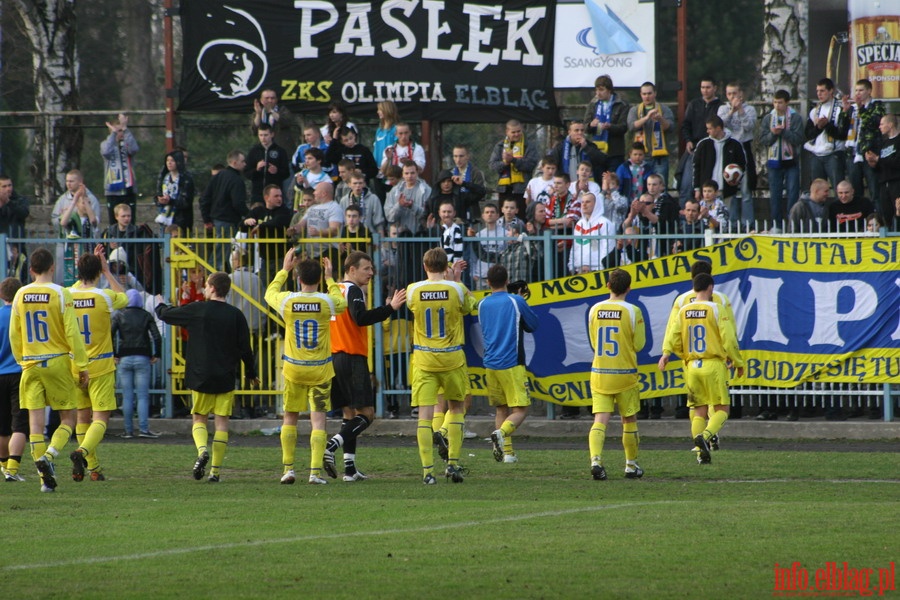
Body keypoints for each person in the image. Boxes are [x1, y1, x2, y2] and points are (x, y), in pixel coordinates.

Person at [155, 272, 258, 482]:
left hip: (200, 375)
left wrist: (159, 304)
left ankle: (202, 451)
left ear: (211, 288)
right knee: (222, 423)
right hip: (226, 376)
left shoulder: (198, 310)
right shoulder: (236, 315)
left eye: (206, 285)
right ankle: (215, 472)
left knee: (199, 418)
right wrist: (251, 372)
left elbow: (168, 315)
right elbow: (245, 348)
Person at [10, 248, 89, 492]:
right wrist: (82, 364)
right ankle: (51, 456)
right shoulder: (60, 293)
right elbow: (72, 331)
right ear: (53, 267)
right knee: (68, 418)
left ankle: (44, 482)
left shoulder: (20, 294)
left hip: (31, 363)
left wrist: (21, 360)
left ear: (31, 269)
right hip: (56, 361)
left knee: (35, 424)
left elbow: (15, 332)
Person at [322, 251, 406, 481]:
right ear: (352, 270)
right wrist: (391, 308)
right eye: (366, 268)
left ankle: (349, 469)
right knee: (368, 414)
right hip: (352, 357)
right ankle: (331, 446)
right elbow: (360, 318)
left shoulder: (333, 290)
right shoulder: (353, 290)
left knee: (349, 414)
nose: (371, 273)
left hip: (335, 358)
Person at [265, 253, 346, 485]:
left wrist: (283, 270)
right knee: (318, 420)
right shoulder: (326, 301)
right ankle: (314, 473)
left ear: (298, 278)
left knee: (290, 417)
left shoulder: (287, 300)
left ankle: (288, 469)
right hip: (320, 370)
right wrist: (331, 279)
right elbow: (341, 302)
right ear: (319, 279)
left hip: (294, 368)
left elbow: (269, 293)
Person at [407, 248, 477, 484]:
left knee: (425, 416)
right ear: (445, 266)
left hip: (425, 359)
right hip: (451, 357)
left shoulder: (413, 289)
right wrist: (456, 279)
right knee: (456, 408)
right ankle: (453, 465)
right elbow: (470, 306)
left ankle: (428, 472)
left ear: (425, 266)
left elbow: (410, 307)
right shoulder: (455, 289)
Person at [659, 273, 744, 465]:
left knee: (698, 411)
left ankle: (700, 453)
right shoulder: (717, 308)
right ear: (710, 288)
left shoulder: (684, 309)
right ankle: (705, 437)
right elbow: (729, 339)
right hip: (713, 364)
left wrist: (667, 353)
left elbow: (673, 335)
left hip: (692, 366)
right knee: (722, 409)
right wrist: (738, 362)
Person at [67, 246, 129, 483]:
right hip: (100, 365)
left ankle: (93, 468)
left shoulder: (67, 295)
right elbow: (123, 296)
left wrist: (87, 268)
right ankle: (82, 453)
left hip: (75, 365)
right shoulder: (103, 296)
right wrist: (107, 271)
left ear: (78, 272)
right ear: (98, 272)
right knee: (101, 418)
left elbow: (73, 287)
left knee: (82, 417)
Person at [586, 268, 646, 480]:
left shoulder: (594, 309)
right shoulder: (633, 311)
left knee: (600, 419)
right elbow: (639, 344)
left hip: (600, 372)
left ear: (608, 286)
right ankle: (630, 465)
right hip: (625, 373)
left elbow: (594, 343)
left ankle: (596, 460)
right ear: (629, 288)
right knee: (628, 419)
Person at [479, 264, 538, 464]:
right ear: (507, 280)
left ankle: (507, 454)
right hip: (512, 363)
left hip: (491, 364)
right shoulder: (516, 301)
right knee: (520, 410)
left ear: (488, 282)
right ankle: (501, 434)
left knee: (501, 409)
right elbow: (533, 325)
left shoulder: (482, 303)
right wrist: (521, 298)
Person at [112, 288, 162, 439]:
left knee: (127, 396)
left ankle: (128, 431)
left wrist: (114, 354)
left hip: (124, 358)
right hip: (142, 357)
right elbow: (156, 337)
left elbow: (109, 335)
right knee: (142, 396)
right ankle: (144, 430)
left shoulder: (119, 315)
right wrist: (156, 354)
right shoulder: (146, 315)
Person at [692, 115, 747, 228]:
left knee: (729, 222)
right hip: (708, 192)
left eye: (710, 128)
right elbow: (696, 167)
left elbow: (742, 165)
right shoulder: (703, 144)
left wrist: (736, 181)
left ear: (718, 128)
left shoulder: (735, 144)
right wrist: (697, 188)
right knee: (707, 223)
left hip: (727, 191)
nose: (707, 131)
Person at [759, 89, 804, 224]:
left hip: (791, 161)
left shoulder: (795, 117)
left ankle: (792, 224)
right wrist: (773, 133)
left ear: (787, 103)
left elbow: (798, 139)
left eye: (780, 102)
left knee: (793, 193)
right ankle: (776, 224)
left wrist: (784, 132)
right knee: (775, 194)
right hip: (774, 162)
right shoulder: (768, 118)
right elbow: (763, 140)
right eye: (775, 102)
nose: (777, 105)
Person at [200, 150, 250, 270]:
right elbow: (238, 203)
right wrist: (249, 215)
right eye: (242, 161)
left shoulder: (218, 177)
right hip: (229, 220)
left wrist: (207, 219)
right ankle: (213, 277)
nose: (245, 164)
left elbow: (204, 198)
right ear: (234, 162)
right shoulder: (236, 180)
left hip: (216, 219)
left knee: (221, 251)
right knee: (223, 253)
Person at [717, 82, 758, 224]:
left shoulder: (750, 109)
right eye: (729, 94)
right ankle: (731, 222)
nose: (732, 97)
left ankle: (748, 223)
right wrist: (731, 112)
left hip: (744, 147)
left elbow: (749, 126)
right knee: (730, 189)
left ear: (741, 93)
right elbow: (719, 126)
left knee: (746, 190)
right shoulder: (723, 108)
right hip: (728, 148)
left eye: (734, 93)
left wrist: (740, 111)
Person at [678, 77, 723, 202]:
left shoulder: (720, 106)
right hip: (694, 148)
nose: (705, 90)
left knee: (708, 187)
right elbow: (685, 125)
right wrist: (688, 140)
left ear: (715, 88)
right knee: (686, 184)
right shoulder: (694, 104)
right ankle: (685, 217)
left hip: (713, 149)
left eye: (708, 87)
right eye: (702, 87)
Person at [840, 78, 885, 202]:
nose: (858, 93)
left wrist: (861, 109)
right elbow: (842, 130)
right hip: (852, 152)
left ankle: (877, 218)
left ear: (869, 91)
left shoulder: (877, 105)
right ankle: (860, 219)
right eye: (856, 90)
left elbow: (874, 123)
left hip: (869, 152)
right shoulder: (852, 108)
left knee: (874, 189)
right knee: (855, 190)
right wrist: (844, 111)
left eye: (861, 90)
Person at [0, 277, 26, 482]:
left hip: (0, 374)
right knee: (19, 423)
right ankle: (13, 468)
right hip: (19, 372)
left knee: (2, 424)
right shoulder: (23, 317)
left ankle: (3, 465)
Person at [803, 78, 848, 192]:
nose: (819, 94)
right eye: (818, 91)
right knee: (817, 191)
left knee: (839, 189)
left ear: (831, 91)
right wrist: (818, 127)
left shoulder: (841, 108)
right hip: (816, 155)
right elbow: (808, 134)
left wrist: (827, 125)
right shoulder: (815, 110)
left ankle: (840, 210)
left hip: (834, 154)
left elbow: (843, 134)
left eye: (822, 91)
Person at [627, 81, 675, 184]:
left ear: (655, 93)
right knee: (642, 187)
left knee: (660, 187)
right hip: (642, 157)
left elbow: (670, 127)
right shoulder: (635, 110)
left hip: (660, 157)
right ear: (641, 95)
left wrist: (660, 119)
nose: (647, 96)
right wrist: (646, 117)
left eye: (649, 93)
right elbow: (631, 126)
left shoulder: (664, 109)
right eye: (644, 94)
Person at [489, 119, 539, 216]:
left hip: (522, 190)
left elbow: (530, 165)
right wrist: (505, 163)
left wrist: (514, 160)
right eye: (513, 132)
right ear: (507, 132)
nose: (516, 134)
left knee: (521, 218)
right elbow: (493, 165)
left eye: (519, 131)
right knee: (504, 219)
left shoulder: (528, 146)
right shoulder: (499, 146)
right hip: (504, 189)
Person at [583, 74, 629, 171]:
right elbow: (585, 127)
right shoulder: (593, 104)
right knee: (599, 181)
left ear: (609, 90)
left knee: (613, 181)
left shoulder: (621, 104)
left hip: (614, 151)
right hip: (597, 151)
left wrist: (610, 127)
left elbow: (624, 127)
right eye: (596, 90)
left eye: (601, 90)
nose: (598, 93)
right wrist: (590, 125)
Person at [100, 113, 139, 224]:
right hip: (113, 191)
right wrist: (113, 134)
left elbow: (135, 149)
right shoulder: (105, 144)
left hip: (128, 189)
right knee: (114, 221)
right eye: (117, 131)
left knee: (129, 220)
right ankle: (114, 241)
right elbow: (106, 152)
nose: (119, 133)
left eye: (121, 130)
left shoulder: (127, 145)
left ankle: (130, 240)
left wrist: (125, 128)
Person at [546, 120, 608, 186]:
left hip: (587, 186)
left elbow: (603, 160)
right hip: (566, 186)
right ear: (569, 132)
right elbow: (551, 165)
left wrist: (586, 148)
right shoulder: (560, 148)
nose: (580, 133)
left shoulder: (590, 145)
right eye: (576, 130)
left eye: (582, 130)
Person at [865, 113, 900, 230]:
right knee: (886, 214)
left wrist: (878, 159)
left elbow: (896, 162)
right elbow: (882, 164)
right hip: (884, 183)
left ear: (890, 125)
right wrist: (873, 163)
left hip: (896, 182)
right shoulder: (884, 143)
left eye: (882, 124)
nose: (879, 127)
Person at [244, 123, 290, 205]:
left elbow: (286, 173)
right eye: (260, 135)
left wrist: (277, 171)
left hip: (275, 193)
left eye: (266, 135)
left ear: (272, 134)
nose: (263, 138)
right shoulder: (254, 151)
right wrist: (256, 169)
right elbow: (246, 173)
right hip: (257, 194)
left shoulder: (280, 151)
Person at [569, 193, 614, 274]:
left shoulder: (605, 223)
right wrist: (571, 265)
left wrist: (601, 268)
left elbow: (607, 247)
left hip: (598, 270)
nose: (584, 205)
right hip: (579, 269)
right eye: (582, 202)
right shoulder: (579, 224)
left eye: (588, 202)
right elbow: (575, 246)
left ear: (596, 204)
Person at [384, 160, 431, 235]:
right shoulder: (394, 191)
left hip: (420, 236)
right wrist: (399, 205)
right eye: (406, 173)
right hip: (399, 237)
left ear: (417, 173)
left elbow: (428, 216)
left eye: (412, 173)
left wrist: (412, 206)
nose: (409, 176)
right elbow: (389, 217)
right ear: (402, 174)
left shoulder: (426, 190)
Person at [156, 149, 195, 232]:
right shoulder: (164, 177)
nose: (169, 163)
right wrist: (159, 199)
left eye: (172, 161)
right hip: (165, 216)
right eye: (167, 160)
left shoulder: (186, 178)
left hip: (181, 218)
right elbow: (158, 193)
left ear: (178, 162)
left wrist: (171, 201)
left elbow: (186, 202)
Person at [339, 170, 386, 236]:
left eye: (360, 183)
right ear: (349, 184)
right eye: (355, 183)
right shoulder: (344, 200)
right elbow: (342, 222)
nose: (358, 186)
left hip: (368, 236)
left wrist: (380, 239)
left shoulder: (373, 198)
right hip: (349, 236)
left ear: (364, 184)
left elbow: (378, 222)